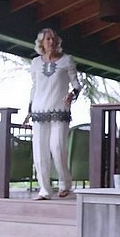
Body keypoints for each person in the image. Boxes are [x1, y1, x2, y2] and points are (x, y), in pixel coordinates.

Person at [22, 28, 82, 200]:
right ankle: (44, 190)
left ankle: (65, 184)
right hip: (39, 110)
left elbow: (76, 85)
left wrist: (72, 94)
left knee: (57, 147)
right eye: (48, 39)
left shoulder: (67, 60)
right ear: (41, 42)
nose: (51, 41)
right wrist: (29, 111)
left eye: (54, 38)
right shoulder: (35, 63)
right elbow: (34, 87)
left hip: (60, 110)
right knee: (39, 151)